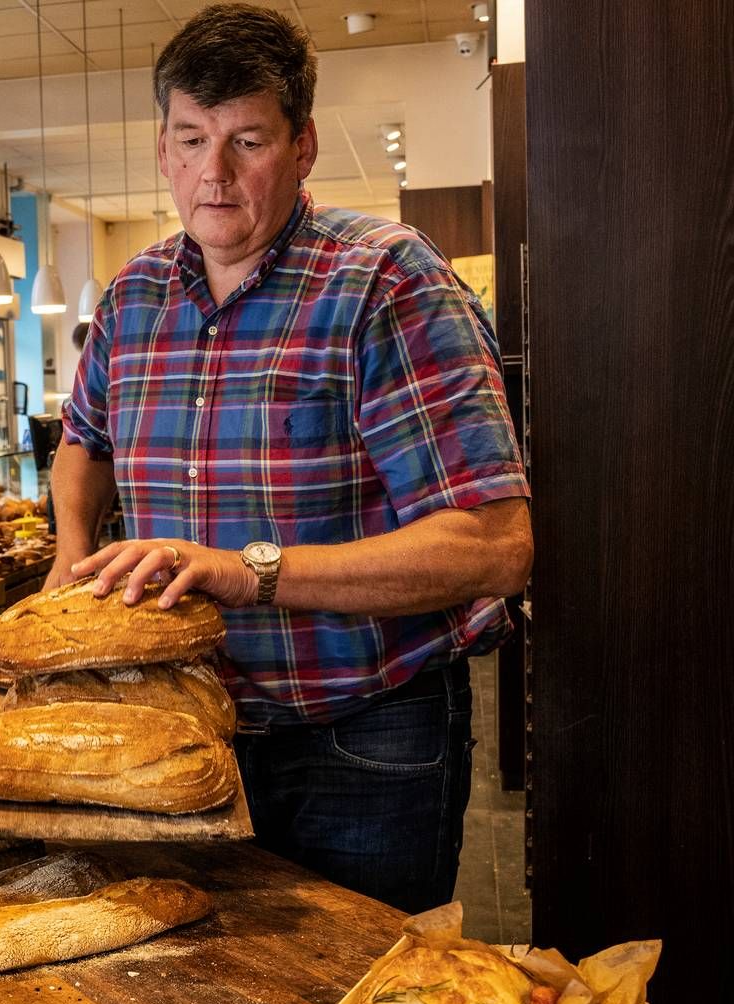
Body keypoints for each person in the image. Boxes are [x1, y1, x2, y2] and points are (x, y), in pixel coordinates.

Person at [48, 4, 532, 914]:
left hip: (362, 737)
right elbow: (84, 443)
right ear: (163, 149)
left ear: (303, 147)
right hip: (175, 728)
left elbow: (494, 547)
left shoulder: (388, 280)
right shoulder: (133, 295)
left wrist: (244, 573)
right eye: (191, 140)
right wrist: (69, 552)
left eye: (247, 141)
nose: (213, 174)